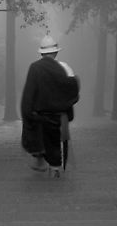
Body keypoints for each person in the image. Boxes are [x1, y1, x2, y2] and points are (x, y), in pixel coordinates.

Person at [21, 35, 80, 178]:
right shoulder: (65, 68)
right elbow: (74, 92)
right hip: (60, 116)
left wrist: (27, 113)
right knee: (55, 142)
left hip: (40, 116)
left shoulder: (34, 68)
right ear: (56, 52)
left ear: (41, 53)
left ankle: (40, 159)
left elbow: (29, 94)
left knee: (41, 137)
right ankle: (55, 168)